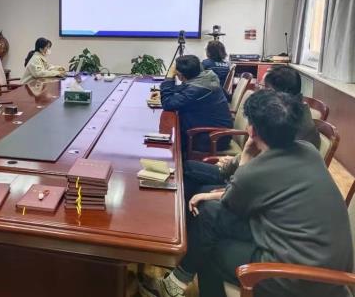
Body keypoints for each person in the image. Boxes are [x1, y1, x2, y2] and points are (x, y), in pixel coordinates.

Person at [145, 90, 352, 297]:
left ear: (252, 130)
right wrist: (214, 193)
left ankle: (175, 283)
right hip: (321, 264)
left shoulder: (255, 171)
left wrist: (244, 159)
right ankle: (175, 283)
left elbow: (231, 202)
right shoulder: (309, 150)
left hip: (296, 277)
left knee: (209, 248)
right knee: (209, 213)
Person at [183, 64, 321, 200]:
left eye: (262, 87)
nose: (258, 92)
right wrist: (233, 162)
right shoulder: (283, 114)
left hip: (256, 187)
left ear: (277, 93)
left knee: (196, 190)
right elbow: (255, 153)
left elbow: (267, 180)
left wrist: (226, 190)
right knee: (187, 169)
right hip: (246, 173)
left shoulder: (291, 127)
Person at [160, 55, 233, 155]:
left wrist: (169, 77)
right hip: (215, 132)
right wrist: (171, 90)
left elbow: (167, 103)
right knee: (175, 127)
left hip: (213, 138)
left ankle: (181, 162)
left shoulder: (197, 89)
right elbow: (185, 88)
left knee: (172, 139)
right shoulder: (206, 77)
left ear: (180, 76)